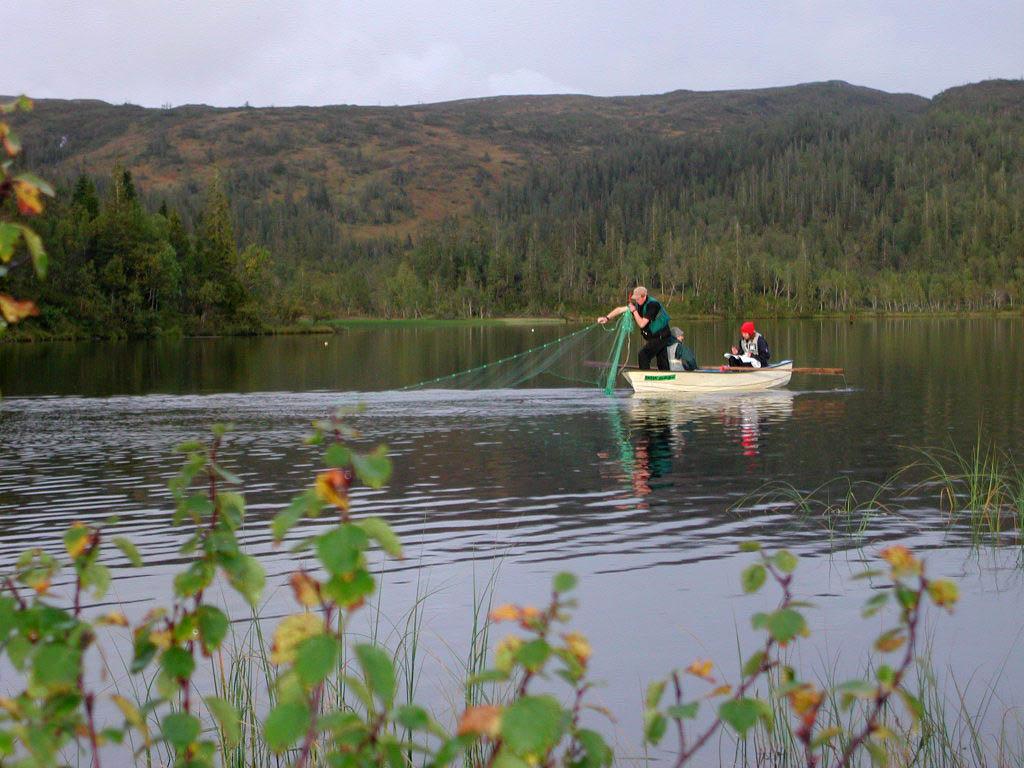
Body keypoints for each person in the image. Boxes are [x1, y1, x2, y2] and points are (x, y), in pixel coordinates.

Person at [597, 286, 673, 370]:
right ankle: (665, 377)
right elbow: (619, 310)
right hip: (656, 336)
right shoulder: (638, 304)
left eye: (638, 298)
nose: (636, 300)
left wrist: (634, 311)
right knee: (662, 361)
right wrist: (606, 318)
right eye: (635, 298)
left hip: (662, 336)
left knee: (643, 355)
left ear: (644, 296)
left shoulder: (653, 305)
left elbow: (642, 324)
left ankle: (645, 377)